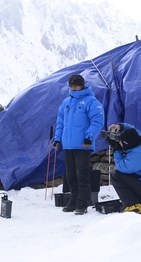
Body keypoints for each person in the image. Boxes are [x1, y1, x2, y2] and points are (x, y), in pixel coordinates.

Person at [53, 74, 104, 215]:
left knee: (82, 174)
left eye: (76, 85)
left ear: (82, 85)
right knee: (71, 175)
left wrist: (89, 137)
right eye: (71, 86)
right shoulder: (66, 103)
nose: (73, 88)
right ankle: (73, 200)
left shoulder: (92, 102)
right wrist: (57, 139)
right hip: (68, 145)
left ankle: (83, 202)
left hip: (83, 145)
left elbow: (97, 121)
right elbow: (60, 123)